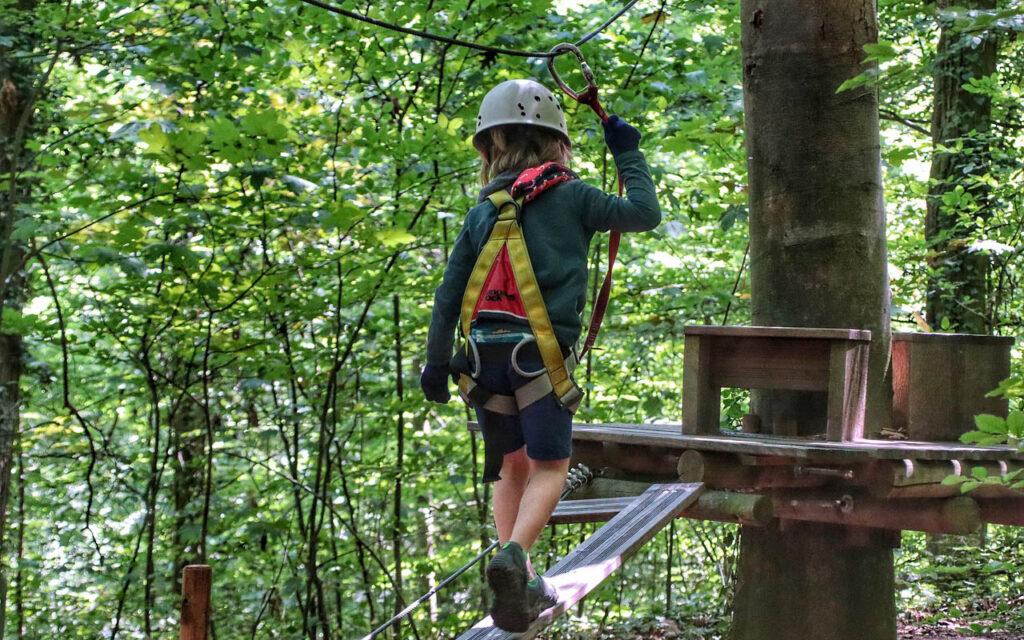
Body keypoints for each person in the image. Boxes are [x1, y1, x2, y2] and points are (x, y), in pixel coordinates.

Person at [420, 78, 661, 632]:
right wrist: (627, 151)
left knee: (511, 466)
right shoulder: (574, 197)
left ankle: (518, 583)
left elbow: (449, 292)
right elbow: (643, 213)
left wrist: (436, 361)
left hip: (482, 361)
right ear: (557, 143)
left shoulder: (483, 213)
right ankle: (513, 561)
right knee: (551, 466)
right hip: (541, 358)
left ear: (490, 146)